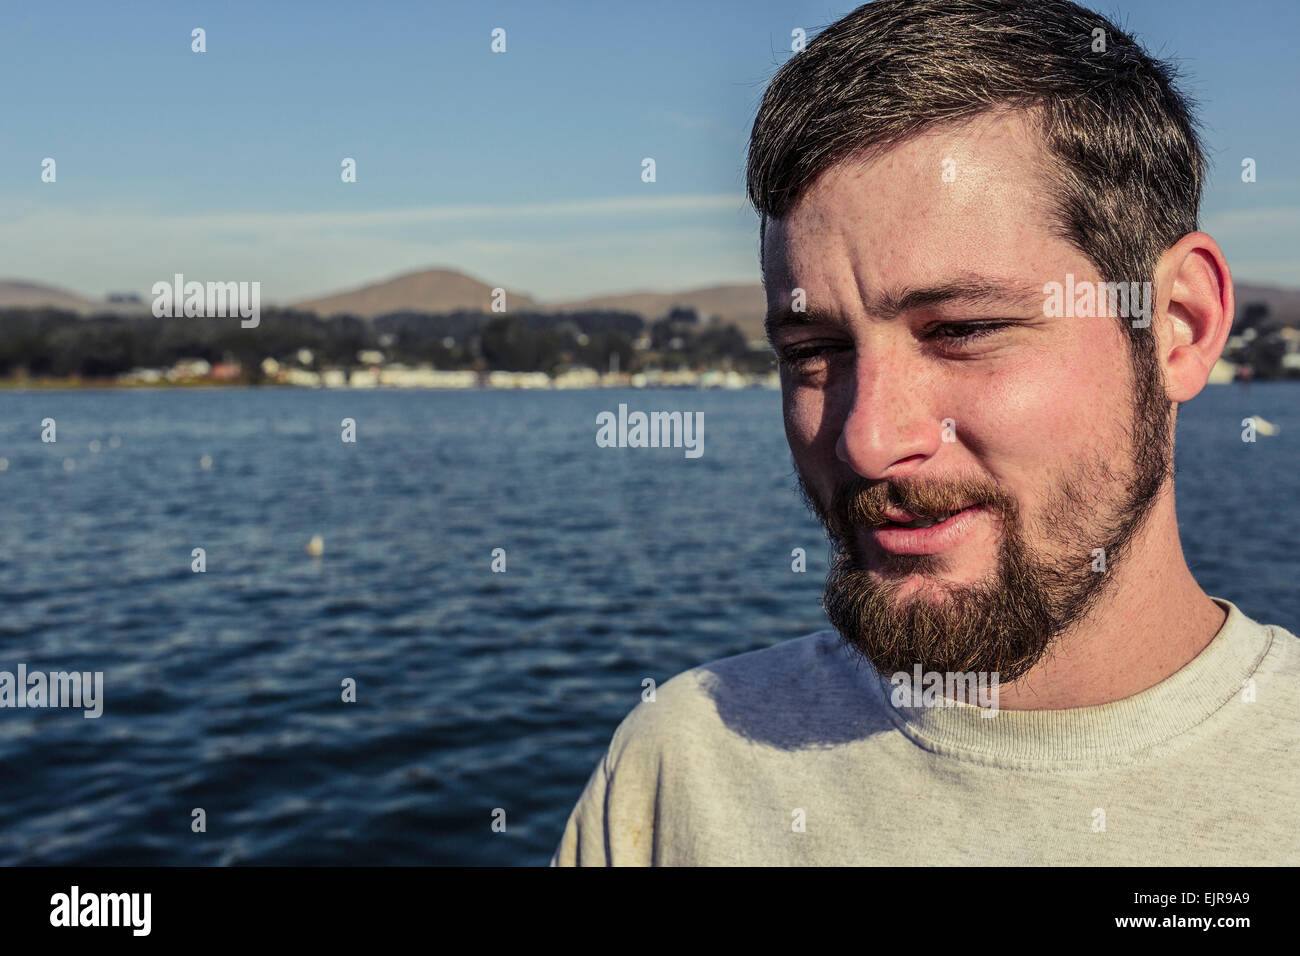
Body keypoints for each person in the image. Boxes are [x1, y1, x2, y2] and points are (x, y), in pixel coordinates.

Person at [552, 0, 1299, 865]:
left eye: (963, 331)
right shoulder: (681, 771)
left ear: (1179, 324)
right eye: (815, 351)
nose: (867, 440)